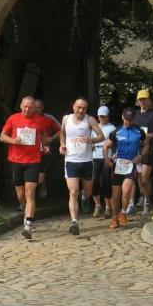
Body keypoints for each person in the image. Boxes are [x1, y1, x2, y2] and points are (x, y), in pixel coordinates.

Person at [0, 96, 51, 240]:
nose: (27, 109)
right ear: (21, 106)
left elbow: (44, 136)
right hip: (16, 161)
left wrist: (44, 145)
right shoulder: (13, 119)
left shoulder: (40, 121)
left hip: (33, 161)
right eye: (25, 107)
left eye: (30, 107)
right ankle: (25, 209)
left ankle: (28, 224)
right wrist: (13, 141)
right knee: (21, 195)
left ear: (35, 108)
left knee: (30, 193)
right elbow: (2, 136)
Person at [59, 97, 105, 236]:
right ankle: (74, 221)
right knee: (73, 191)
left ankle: (85, 197)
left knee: (88, 191)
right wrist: (62, 144)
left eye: (84, 108)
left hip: (86, 161)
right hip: (71, 160)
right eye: (78, 107)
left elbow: (101, 136)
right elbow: (62, 133)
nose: (81, 110)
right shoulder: (66, 119)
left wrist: (90, 139)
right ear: (73, 106)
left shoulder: (90, 120)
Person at [104, 107, 148, 229]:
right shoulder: (116, 131)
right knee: (116, 193)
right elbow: (106, 146)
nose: (127, 122)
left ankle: (123, 213)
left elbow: (146, 144)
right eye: (126, 119)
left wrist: (141, 156)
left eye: (130, 120)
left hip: (131, 165)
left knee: (127, 189)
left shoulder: (139, 131)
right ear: (122, 117)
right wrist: (107, 160)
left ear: (134, 119)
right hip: (118, 165)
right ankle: (114, 217)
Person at [132, 89, 153, 214]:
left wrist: (152, 135)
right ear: (137, 101)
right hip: (137, 148)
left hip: (150, 148)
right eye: (141, 99)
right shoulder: (135, 115)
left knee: (145, 177)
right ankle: (145, 199)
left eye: (145, 99)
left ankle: (148, 199)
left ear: (149, 100)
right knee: (139, 177)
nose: (143, 101)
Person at [92, 106, 117, 219]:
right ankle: (97, 205)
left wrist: (114, 155)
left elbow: (115, 143)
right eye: (100, 116)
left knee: (107, 181)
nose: (102, 118)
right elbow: (89, 140)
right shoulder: (94, 128)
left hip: (108, 155)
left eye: (104, 116)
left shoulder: (112, 128)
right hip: (95, 155)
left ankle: (108, 206)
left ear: (108, 116)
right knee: (94, 181)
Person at [34, 98, 61, 199]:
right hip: (30, 152)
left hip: (45, 151)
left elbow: (61, 130)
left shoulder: (49, 118)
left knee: (39, 179)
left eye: (38, 107)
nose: (36, 110)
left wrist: (52, 138)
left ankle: (42, 184)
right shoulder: (28, 117)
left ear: (42, 107)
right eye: (34, 107)